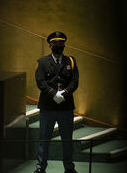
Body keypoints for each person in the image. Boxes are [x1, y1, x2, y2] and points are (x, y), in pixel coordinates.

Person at [34, 31, 79, 173]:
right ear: (50, 44)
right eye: (55, 42)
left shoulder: (70, 61)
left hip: (65, 106)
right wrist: (53, 94)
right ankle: (41, 168)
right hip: (48, 106)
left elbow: (74, 81)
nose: (58, 45)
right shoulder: (42, 62)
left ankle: (69, 168)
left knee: (67, 139)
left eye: (61, 42)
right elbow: (40, 81)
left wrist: (64, 93)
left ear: (64, 44)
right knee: (44, 139)